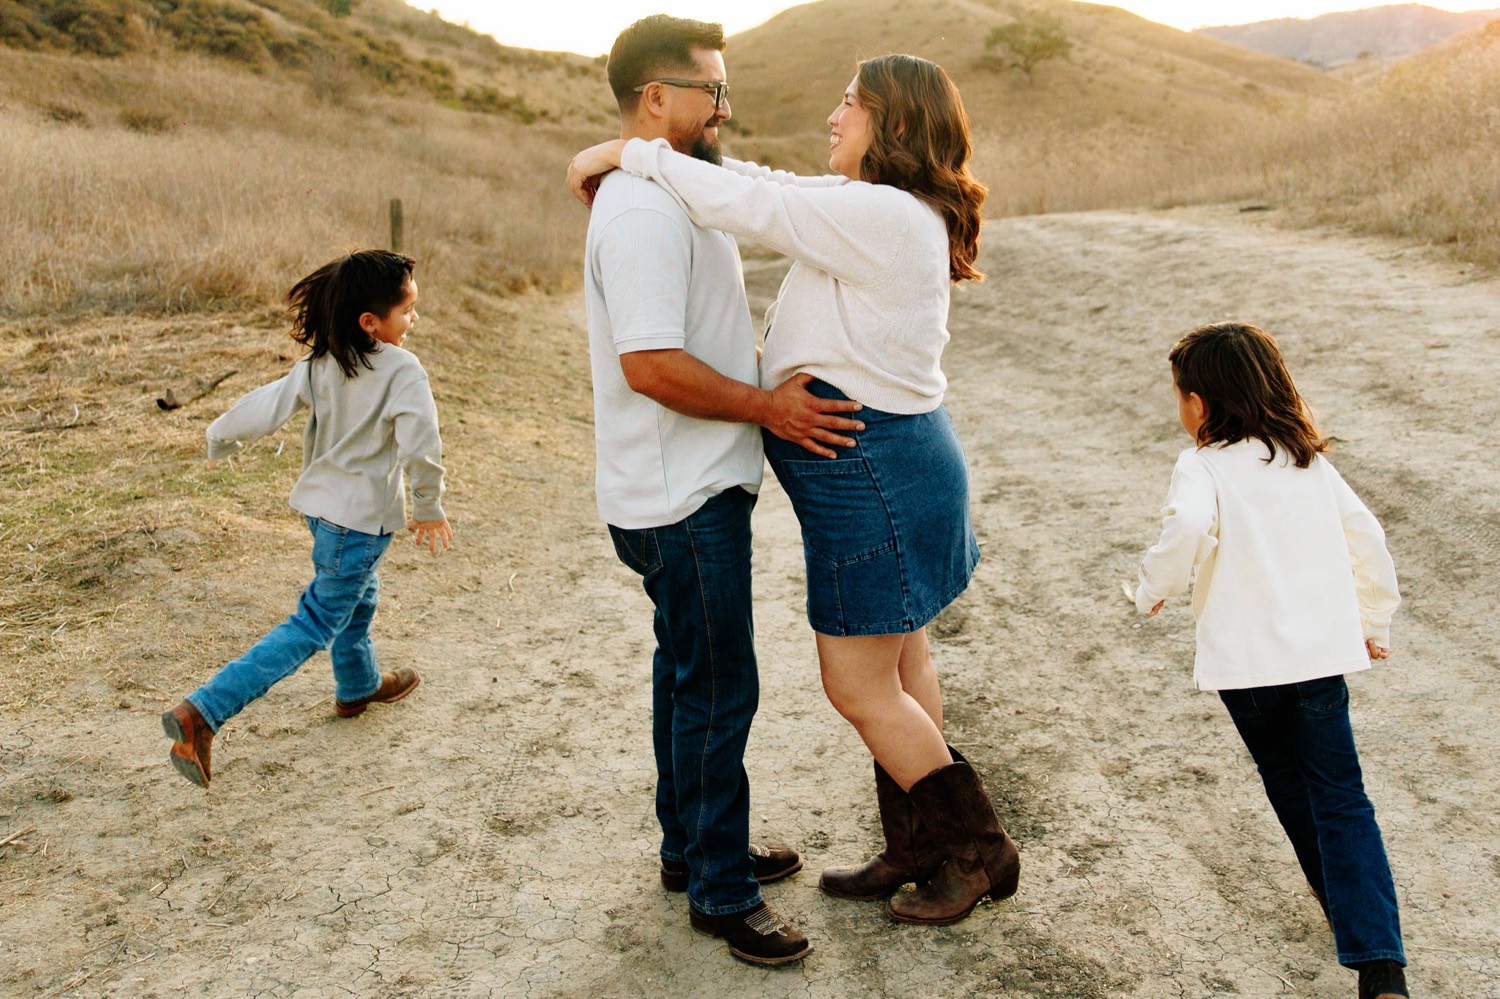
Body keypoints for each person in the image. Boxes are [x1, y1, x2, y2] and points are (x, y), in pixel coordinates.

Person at [569, 53, 1020, 927]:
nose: (831, 117)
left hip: (875, 474)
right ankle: (921, 845)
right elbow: (769, 185)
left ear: (891, 126)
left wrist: (629, 154)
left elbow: (757, 202)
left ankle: (974, 848)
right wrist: (625, 153)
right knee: (903, 665)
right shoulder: (876, 208)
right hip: (893, 465)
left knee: (859, 686)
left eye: (849, 104)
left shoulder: (883, 212)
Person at [579, 15, 867, 967]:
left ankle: (689, 848)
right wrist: (767, 409)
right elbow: (651, 365)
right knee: (717, 688)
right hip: (680, 494)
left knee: (686, 675)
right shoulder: (643, 211)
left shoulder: (668, 187)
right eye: (712, 91)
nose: (726, 108)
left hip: (683, 485)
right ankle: (721, 889)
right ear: (656, 98)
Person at [1133, 322, 1410, 999]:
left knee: (1289, 786)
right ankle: (1380, 966)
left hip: (1246, 667)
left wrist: (1154, 589)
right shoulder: (1307, 459)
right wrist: (1371, 620)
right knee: (1343, 796)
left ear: (1198, 403)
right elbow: (1367, 538)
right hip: (1318, 658)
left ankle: (1338, 901)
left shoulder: (1201, 464)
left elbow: (1190, 528)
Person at [161, 250, 451, 790]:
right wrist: (429, 506)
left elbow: (265, 404)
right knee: (316, 621)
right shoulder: (402, 370)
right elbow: (421, 445)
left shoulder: (322, 363)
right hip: (361, 523)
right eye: (408, 311)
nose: (414, 320)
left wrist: (219, 435)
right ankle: (202, 712)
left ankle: (358, 685)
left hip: (323, 516)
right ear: (371, 322)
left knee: (357, 598)